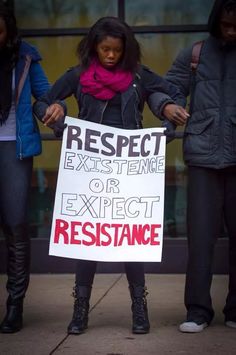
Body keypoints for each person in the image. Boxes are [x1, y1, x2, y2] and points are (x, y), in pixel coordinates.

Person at [33, 16, 189, 335]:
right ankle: (80, 311)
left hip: (130, 169)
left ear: (126, 50)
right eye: (105, 49)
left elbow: (170, 93)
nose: (110, 56)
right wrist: (58, 114)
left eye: (117, 50)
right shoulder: (77, 76)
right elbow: (43, 101)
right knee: (85, 241)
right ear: (94, 47)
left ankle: (139, 309)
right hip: (90, 169)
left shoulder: (138, 76)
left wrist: (168, 109)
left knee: (131, 242)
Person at [159, 0, 236, 333]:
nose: (231, 32)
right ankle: (197, 311)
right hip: (202, 155)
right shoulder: (194, 53)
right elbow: (167, 89)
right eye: (225, 25)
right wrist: (169, 106)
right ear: (215, 22)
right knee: (200, 238)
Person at [0, 1, 57, 333]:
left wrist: (54, 110)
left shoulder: (26, 56)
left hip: (13, 149)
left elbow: (44, 96)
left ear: (8, 30)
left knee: (16, 226)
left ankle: (14, 306)